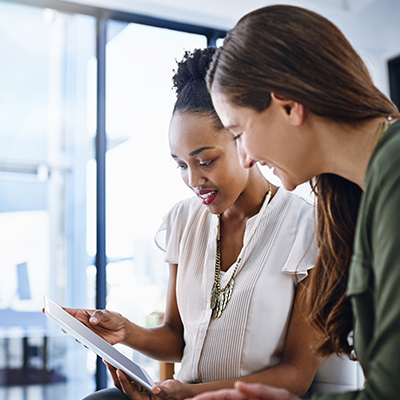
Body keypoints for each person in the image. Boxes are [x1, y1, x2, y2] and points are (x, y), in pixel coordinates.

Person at [66, 47, 322, 400]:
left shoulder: (307, 227)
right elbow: (176, 336)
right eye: (181, 165)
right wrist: (124, 330)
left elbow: (296, 375)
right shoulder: (183, 220)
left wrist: (192, 394)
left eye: (205, 160)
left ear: (244, 139)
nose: (193, 180)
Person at [190, 4, 400, 400]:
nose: (246, 157)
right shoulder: (357, 195)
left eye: (237, 132)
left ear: (288, 105)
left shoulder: (394, 173)